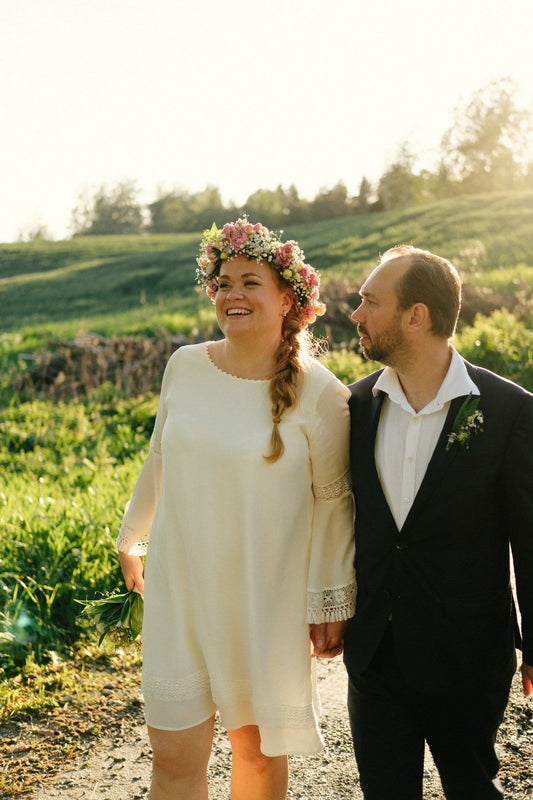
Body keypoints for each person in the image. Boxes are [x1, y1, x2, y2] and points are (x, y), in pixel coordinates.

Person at [116, 217, 356, 800]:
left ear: (288, 299)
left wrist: (329, 599)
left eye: (251, 281)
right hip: (183, 592)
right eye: (223, 282)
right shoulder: (185, 365)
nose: (233, 295)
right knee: (172, 757)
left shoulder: (321, 393)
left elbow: (333, 507)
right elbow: (160, 457)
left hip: (262, 601)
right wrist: (133, 536)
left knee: (254, 757)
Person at [343, 244, 533, 800]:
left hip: (468, 655)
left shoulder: (509, 411)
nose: (356, 314)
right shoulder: (352, 407)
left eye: (369, 302)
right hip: (375, 654)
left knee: (473, 789)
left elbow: (531, 538)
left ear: (416, 315)